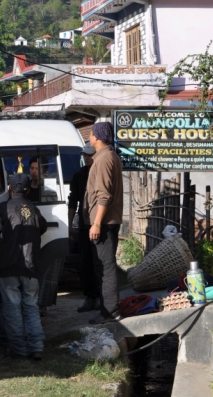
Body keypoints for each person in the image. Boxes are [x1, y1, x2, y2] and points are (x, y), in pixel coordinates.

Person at [0, 173, 48, 360]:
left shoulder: (3, 208)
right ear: (28, 190)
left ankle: (19, 349)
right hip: (31, 267)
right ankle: (37, 348)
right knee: (31, 307)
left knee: (12, 308)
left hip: (9, 266)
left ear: (10, 189)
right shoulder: (35, 210)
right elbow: (42, 228)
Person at [86, 122, 124, 324]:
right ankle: (106, 311)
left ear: (97, 137)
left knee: (106, 267)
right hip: (109, 220)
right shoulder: (110, 156)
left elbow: (104, 195)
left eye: (91, 134)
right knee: (103, 267)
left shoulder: (104, 159)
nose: (89, 137)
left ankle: (111, 313)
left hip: (105, 222)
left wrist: (97, 223)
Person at [68, 145, 100, 313]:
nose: (87, 157)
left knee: (99, 262)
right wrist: (69, 224)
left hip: (99, 224)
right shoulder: (79, 175)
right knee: (85, 262)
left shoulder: (100, 173)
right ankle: (90, 297)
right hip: (83, 224)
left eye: (89, 154)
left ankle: (102, 297)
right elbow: (73, 200)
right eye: (84, 155)